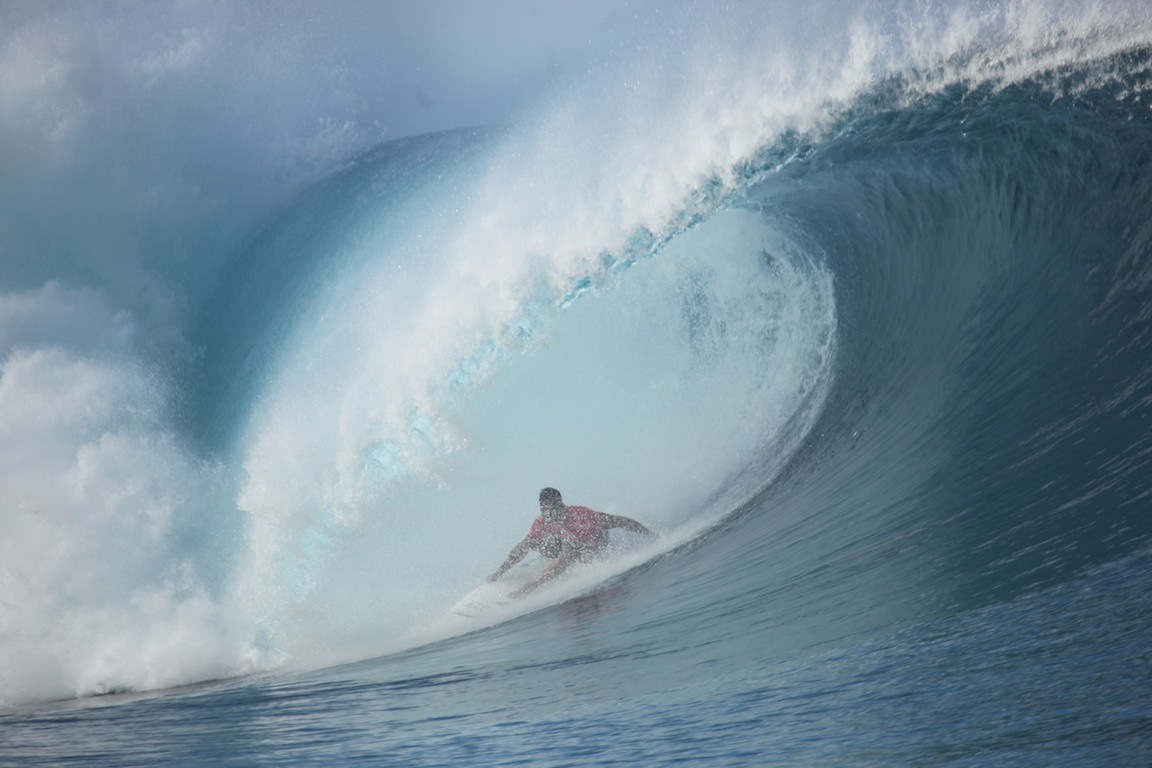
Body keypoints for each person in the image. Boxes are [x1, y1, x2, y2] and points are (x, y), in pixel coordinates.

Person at [488, 487, 656, 597]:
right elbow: (521, 547)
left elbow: (621, 522)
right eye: (544, 508)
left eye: (551, 506)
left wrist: (652, 536)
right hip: (566, 542)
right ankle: (516, 573)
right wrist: (499, 572)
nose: (547, 511)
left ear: (560, 504)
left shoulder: (581, 515)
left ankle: (531, 587)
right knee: (530, 542)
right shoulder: (541, 523)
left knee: (570, 551)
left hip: (594, 541)